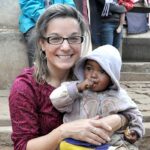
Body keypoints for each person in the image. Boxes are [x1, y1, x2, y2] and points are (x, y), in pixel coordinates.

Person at [9, 4, 128, 150]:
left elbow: (122, 105)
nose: (65, 47)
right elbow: (22, 146)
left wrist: (121, 119)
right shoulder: (25, 87)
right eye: (55, 38)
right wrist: (63, 131)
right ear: (41, 44)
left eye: (74, 38)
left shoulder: (91, 76)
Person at [50, 45, 144, 149]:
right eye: (89, 68)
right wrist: (77, 88)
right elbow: (56, 100)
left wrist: (135, 130)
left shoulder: (119, 95)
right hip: (76, 139)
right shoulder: (75, 88)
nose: (93, 75)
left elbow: (134, 114)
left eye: (102, 71)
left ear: (112, 76)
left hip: (108, 141)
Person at [18, 0, 75, 67]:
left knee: (72, 37)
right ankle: (36, 72)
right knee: (35, 39)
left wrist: (64, 17)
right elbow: (29, 5)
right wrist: (49, 19)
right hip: (34, 22)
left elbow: (70, 5)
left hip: (60, 21)